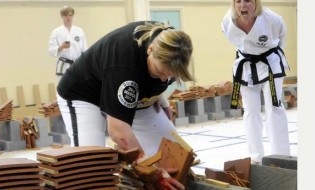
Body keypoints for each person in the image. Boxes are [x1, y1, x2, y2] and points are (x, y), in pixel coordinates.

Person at [56, 21, 193, 189]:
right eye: (160, 72)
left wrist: (159, 97)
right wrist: (150, 168)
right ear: (150, 50)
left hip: (131, 90)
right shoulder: (124, 64)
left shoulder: (174, 45)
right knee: (92, 166)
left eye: (170, 75)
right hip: (86, 95)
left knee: (172, 151)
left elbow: (161, 74)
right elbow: (118, 130)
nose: (164, 79)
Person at [221, 0, 291, 164]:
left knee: (274, 108)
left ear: (256, 3)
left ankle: (280, 157)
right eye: (238, 1)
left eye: (247, 1)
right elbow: (235, 43)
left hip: (270, 65)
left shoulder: (272, 19)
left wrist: (271, 54)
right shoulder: (227, 21)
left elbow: (282, 39)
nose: (242, 5)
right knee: (250, 111)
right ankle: (256, 157)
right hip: (246, 66)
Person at [48, 6, 87, 82]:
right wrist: (61, 47)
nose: (68, 17)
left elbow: (85, 50)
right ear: (62, 16)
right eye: (65, 15)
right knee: (62, 90)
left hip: (77, 64)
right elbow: (51, 51)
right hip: (64, 64)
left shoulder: (79, 31)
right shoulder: (56, 32)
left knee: (78, 89)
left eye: (70, 15)